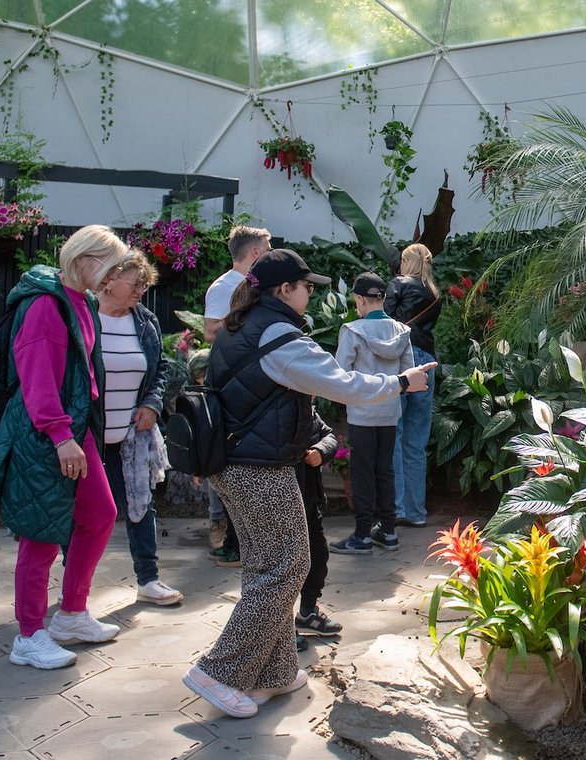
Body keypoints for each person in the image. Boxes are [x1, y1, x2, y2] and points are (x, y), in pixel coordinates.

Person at [182, 248, 435, 718]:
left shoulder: (242, 326)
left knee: (268, 565)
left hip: (235, 464)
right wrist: (402, 382)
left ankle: (273, 673)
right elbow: (344, 383)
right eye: (306, 287)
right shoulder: (278, 335)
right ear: (284, 290)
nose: (310, 295)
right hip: (258, 468)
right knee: (286, 566)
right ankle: (218, 672)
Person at [0, 225, 129, 670]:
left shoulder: (81, 301)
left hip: (72, 429)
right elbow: (36, 377)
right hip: (45, 433)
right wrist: (59, 436)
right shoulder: (45, 305)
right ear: (86, 260)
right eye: (108, 269)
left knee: (99, 515)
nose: (111, 280)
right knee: (41, 532)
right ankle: (29, 636)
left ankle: (70, 615)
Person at [96, 251, 181, 606]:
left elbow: (159, 369)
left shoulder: (145, 321)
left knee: (141, 506)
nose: (140, 292)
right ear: (109, 280)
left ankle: (148, 579)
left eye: (145, 285)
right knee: (84, 511)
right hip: (88, 436)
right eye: (135, 284)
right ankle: (76, 583)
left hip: (131, 437)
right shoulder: (82, 316)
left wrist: (152, 404)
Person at [202, 225, 272, 563]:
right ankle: (227, 535)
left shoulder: (259, 285)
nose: (270, 250)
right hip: (233, 382)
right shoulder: (225, 286)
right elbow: (210, 330)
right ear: (255, 252)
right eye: (268, 246)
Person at [331, 272, 413, 555]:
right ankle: (388, 531)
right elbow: (409, 375)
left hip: (362, 413)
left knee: (362, 472)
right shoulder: (402, 332)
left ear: (362, 300)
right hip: (390, 411)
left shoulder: (352, 331)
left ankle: (363, 535)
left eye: (357, 301)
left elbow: (339, 373)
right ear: (384, 299)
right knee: (386, 469)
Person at [384, 243, 442, 528]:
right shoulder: (434, 292)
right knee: (416, 441)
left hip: (403, 359)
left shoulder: (398, 284)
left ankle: (396, 509)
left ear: (407, 261)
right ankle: (416, 512)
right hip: (427, 361)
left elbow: (385, 319)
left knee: (395, 433)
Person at [294, 407, 343, 643]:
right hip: (281, 503)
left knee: (317, 556)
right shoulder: (276, 405)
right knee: (285, 568)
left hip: (309, 500)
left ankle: (308, 612)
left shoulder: (307, 409)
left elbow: (329, 435)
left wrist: (320, 451)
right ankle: (279, 629)